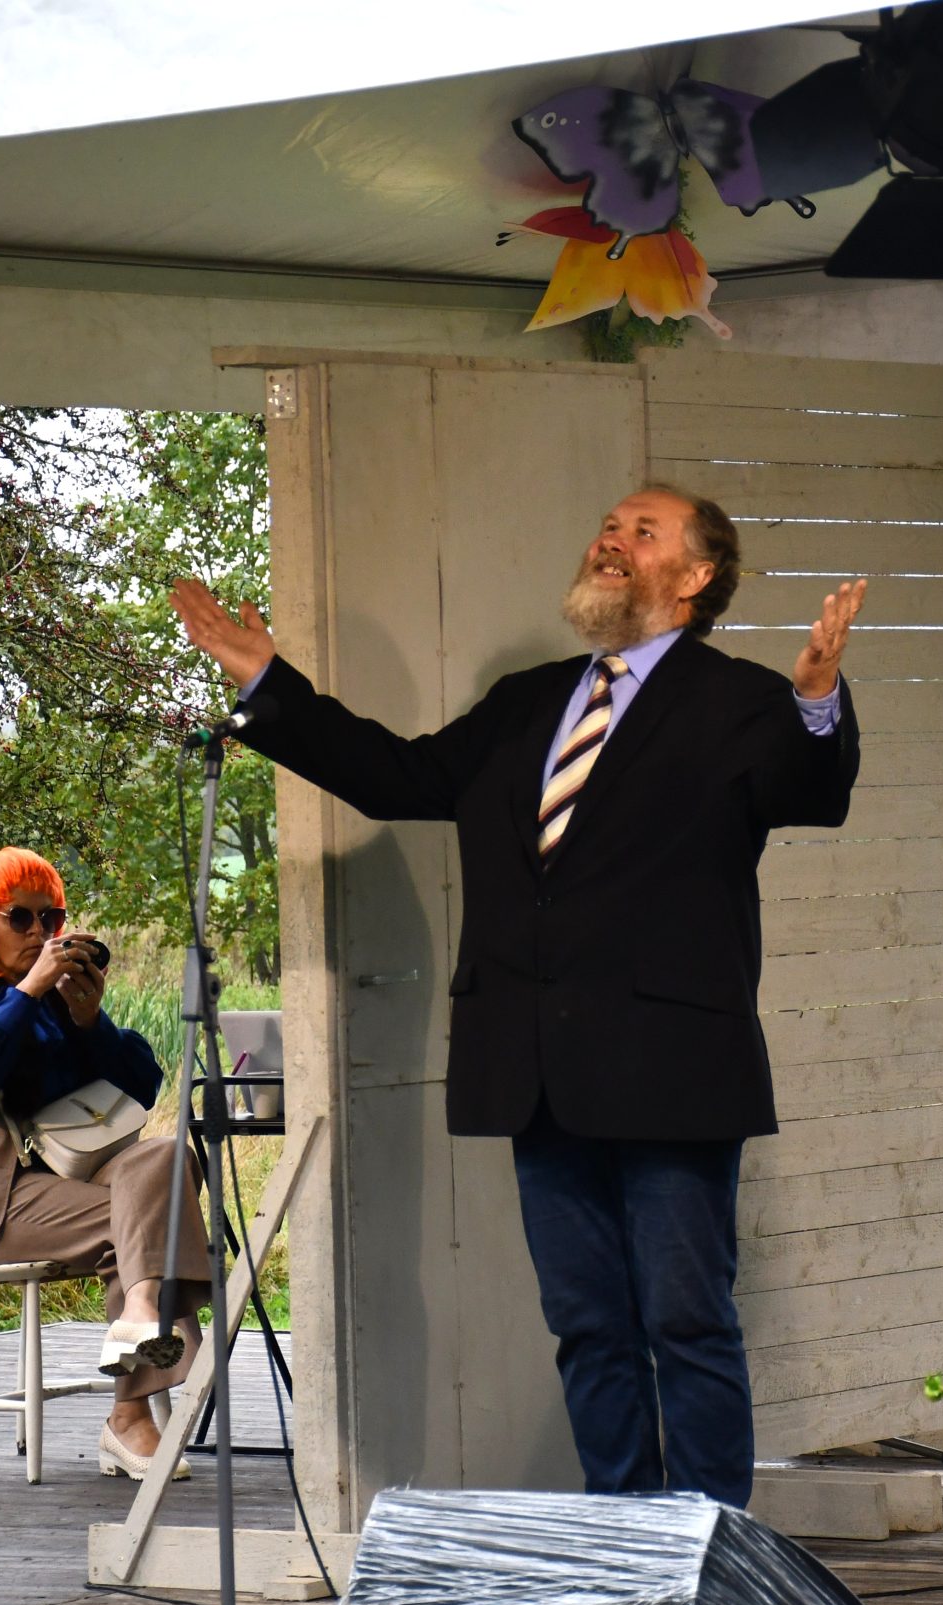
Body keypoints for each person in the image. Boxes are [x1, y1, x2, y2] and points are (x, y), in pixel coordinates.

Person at [169, 486, 864, 1507]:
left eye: (643, 531)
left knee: (686, 1323)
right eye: (608, 525)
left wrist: (815, 699)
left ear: (697, 575)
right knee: (588, 1326)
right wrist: (272, 685)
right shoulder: (529, 701)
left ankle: (712, 1552)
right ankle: (621, 1537)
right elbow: (398, 777)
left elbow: (812, 791)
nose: (611, 539)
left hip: (671, 1071)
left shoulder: (742, 703)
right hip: (537, 1071)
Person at [0, 846, 208, 1481]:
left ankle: (139, 1313)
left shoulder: (57, 1003)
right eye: (21, 917)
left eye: (53, 918)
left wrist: (91, 1022)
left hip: (69, 1187)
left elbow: (142, 1089)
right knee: (149, 1222)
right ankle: (130, 1415)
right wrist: (27, 992)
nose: (41, 932)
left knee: (167, 1155)